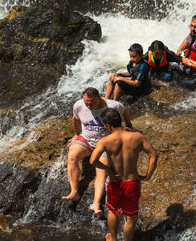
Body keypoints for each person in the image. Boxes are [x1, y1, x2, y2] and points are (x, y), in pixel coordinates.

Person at [62, 87, 133, 217]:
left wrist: (129, 125)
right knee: (72, 156)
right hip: (87, 139)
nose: (88, 106)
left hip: (105, 143)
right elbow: (75, 119)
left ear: (99, 98)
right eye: (86, 103)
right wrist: (77, 135)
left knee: (101, 169)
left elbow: (125, 111)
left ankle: (96, 203)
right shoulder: (78, 105)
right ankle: (74, 192)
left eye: (91, 103)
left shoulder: (113, 105)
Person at [89, 108, 158, 241]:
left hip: (115, 181)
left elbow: (93, 160)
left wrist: (109, 171)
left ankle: (113, 239)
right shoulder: (137, 137)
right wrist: (147, 176)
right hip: (132, 182)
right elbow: (154, 155)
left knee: (113, 211)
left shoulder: (105, 141)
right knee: (129, 217)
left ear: (108, 125)